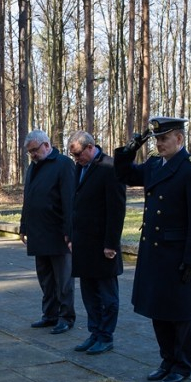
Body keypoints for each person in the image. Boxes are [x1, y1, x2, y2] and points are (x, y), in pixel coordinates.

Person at [113, 116, 191, 382]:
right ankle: (166, 359)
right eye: (155, 139)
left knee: (179, 314)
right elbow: (123, 173)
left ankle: (181, 365)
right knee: (158, 310)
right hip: (154, 253)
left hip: (177, 254)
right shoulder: (155, 165)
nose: (158, 144)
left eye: (164, 138)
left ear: (179, 139)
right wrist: (132, 146)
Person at [67, 130, 126, 355]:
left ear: (90, 147)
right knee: (89, 294)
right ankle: (94, 332)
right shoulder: (80, 167)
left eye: (78, 154)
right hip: (83, 244)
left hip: (103, 246)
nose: (76, 159)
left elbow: (116, 209)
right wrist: (70, 235)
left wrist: (111, 243)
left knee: (107, 295)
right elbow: (75, 204)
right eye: (73, 156)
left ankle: (106, 335)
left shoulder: (110, 168)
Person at [18, 129, 76, 334]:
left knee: (63, 280)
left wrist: (70, 232)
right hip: (38, 233)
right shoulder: (32, 168)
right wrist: (23, 226)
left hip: (58, 233)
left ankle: (66, 317)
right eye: (29, 152)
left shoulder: (64, 164)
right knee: (45, 279)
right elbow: (29, 200)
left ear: (46, 145)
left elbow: (69, 201)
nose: (32, 154)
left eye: (34, 150)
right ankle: (49, 314)